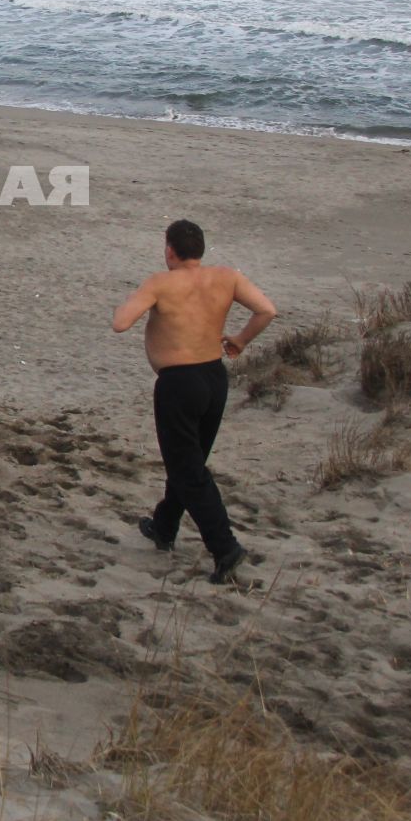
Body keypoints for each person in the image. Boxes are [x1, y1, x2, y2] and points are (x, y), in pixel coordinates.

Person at [111, 218, 275, 584]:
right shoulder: (227, 276)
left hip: (179, 383)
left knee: (189, 471)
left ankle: (225, 548)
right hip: (214, 378)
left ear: (170, 250)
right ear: (200, 250)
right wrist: (241, 340)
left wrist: (149, 302)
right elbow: (266, 310)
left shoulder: (160, 282)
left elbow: (120, 322)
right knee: (189, 460)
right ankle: (165, 526)